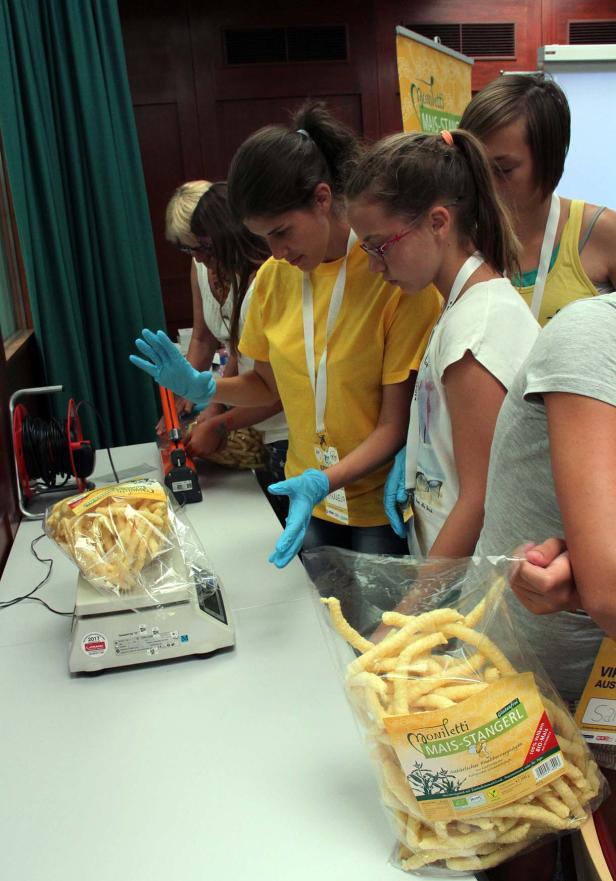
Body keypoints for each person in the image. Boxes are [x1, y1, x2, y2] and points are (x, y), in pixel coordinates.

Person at [131, 101, 441, 567]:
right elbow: (267, 387)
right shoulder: (274, 280)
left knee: (379, 635)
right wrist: (206, 387)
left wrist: (328, 478)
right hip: (307, 495)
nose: (276, 251)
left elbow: (393, 425)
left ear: (321, 198)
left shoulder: (389, 274)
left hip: (376, 507)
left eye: (282, 232)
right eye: (263, 239)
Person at [472, 293, 616, 875]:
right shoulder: (594, 337)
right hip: (537, 690)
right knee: (526, 854)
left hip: (591, 688)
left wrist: (586, 581)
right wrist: (594, 584)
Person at [345, 128, 539, 558]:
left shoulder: (477, 329)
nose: (376, 268)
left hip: (472, 580)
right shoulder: (459, 306)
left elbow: (480, 500)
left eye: (380, 247)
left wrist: (416, 606)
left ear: (437, 222)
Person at [164, 181, 289, 523]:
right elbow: (240, 350)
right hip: (258, 414)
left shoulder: (265, 279)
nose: (200, 259)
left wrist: (218, 421)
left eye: (202, 247)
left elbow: (278, 389)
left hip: (285, 430)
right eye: (189, 251)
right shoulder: (213, 267)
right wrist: (198, 403)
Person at [460, 73, 616, 326]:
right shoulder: (462, 238)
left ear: (548, 160)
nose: (483, 183)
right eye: (474, 166)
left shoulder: (603, 232)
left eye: (503, 170)